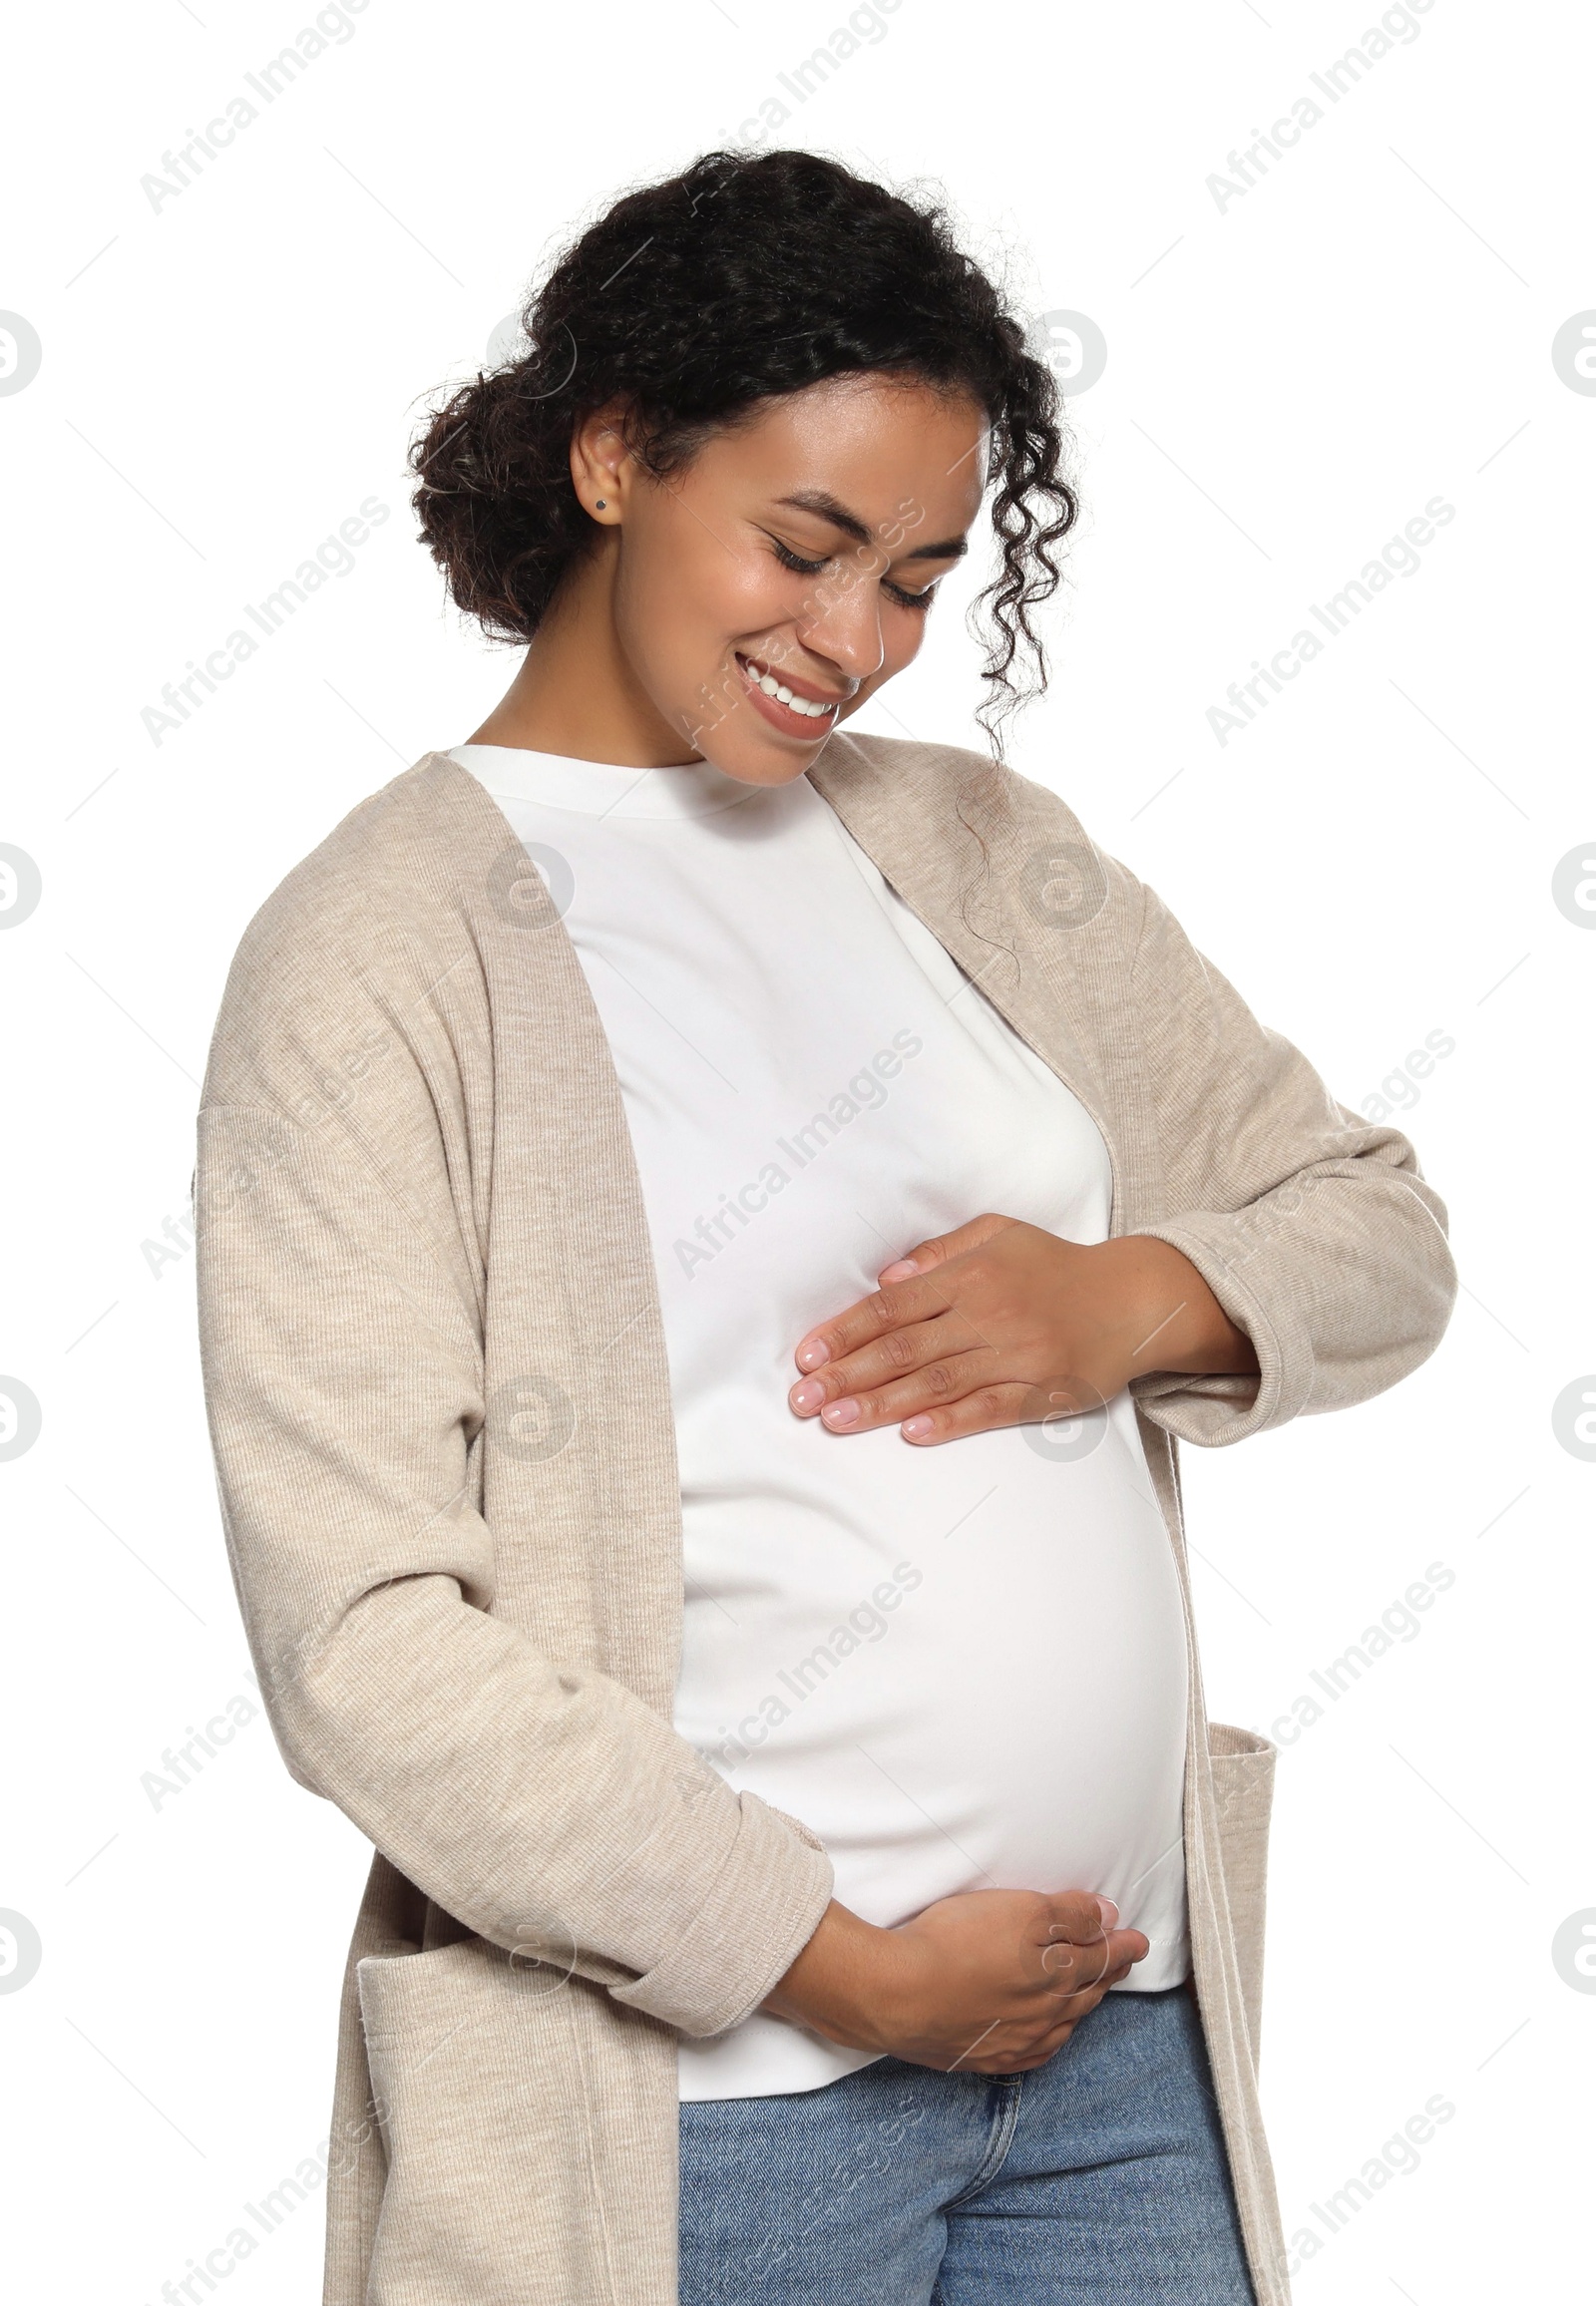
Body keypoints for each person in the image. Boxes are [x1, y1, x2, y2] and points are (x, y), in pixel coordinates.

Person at [194, 148, 1456, 2306]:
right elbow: (370, 1640)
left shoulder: (972, 851)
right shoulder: (378, 950)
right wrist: (835, 1964)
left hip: (1114, 2063)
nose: (851, 642)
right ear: (610, 460)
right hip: (697, 2122)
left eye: (915, 577)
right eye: (802, 545)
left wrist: (1127, 1296)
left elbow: (1368, 1224)